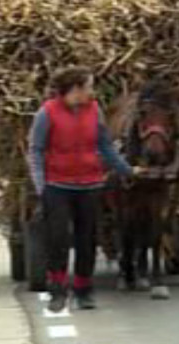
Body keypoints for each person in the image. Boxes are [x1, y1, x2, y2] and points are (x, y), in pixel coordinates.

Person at [27, 66, 139, 312]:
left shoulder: (94, 110)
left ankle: (83, 290)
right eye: (88, 86)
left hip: (90, 184)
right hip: (57, 185)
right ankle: (57, 290)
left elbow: (104, 145)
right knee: (58, 239)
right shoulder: (47, 113)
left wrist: (126, 169)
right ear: (75, 89)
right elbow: (35, 150)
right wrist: (40, 185)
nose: (91, 91)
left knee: (87, 239)